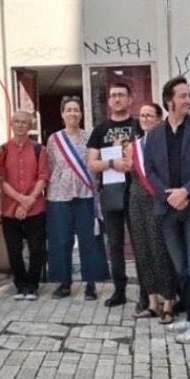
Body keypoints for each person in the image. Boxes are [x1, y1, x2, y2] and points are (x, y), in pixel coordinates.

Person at [144, 77, 190, 344]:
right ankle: (189, 314)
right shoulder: (154, 134)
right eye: (182, 96)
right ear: (169, 101)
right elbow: (149, 170)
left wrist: (185, 191)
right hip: (167, 208)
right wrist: (169, 195)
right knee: (181, 267)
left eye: (189, 95)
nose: (188, 100)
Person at [86, 83, 142, 308]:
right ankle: (119, 290)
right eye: (113, 96)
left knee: (140, 244)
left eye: (121, 95)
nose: (117, 99)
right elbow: (92, 164)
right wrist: (113, 163)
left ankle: (146, 293)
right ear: (109, 101)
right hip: (111, 192)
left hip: (138, 192)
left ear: (130, 99)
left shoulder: (139, 125)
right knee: (116, 244)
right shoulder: (100, 130)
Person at [47, 96, 108, 300]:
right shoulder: (54, 140)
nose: (72, 113)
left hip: (85, 195)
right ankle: (64, 283)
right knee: (62, 240)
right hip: (59, 197)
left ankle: (90, 284)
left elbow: (96, 163)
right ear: (62, 113)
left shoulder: (90, 137)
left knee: (88, 240)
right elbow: (50, 166)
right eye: (69, 109)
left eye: (76, 109)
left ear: (81, 114)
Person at [127, 103, 177, 322]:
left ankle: (168, 302)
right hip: (136, 199)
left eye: (150, 115)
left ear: (159, 119)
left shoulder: (166, 143)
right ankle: (152, 302)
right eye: (142, 115)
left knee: (160, 251)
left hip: (157, 200)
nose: (145, 118)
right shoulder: (134, 145)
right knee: (142, 250)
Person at [0, 109, 49, 300]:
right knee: (14, 250)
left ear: (30, 125)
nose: (20, 125)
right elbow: (1, 180)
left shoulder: (39, 149)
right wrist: (19, 199)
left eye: (24, 122)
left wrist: (27, 202)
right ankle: (20, 284)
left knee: (36, 249)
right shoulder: (3, 150)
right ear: (11, 124)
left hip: (35, 207)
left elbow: (43, 177)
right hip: (10, 208)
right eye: (16, 122)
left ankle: (32, 286)